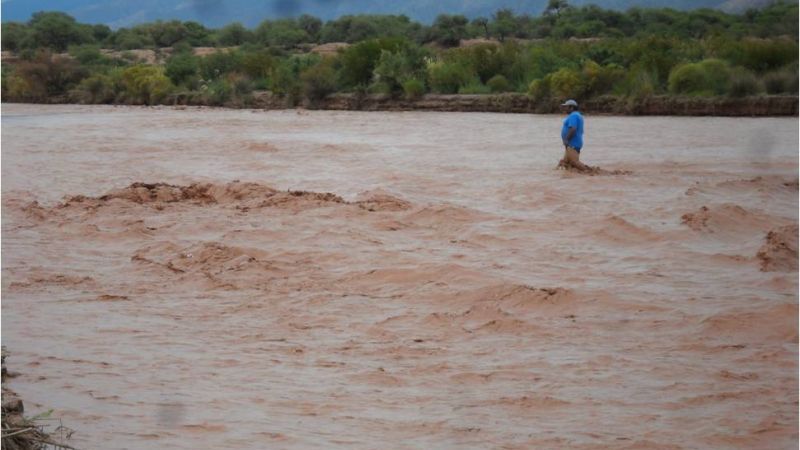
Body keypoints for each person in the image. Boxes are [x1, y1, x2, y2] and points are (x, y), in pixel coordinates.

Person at [557, 99, 590, 172]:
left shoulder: (573, 115)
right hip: (573, 143)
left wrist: (566, 139)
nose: (565, 109)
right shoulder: (577, 115)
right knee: (565, 163)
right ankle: (570, 179)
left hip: (573, 143)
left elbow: (573, 129)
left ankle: (589, 173)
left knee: (574, 162)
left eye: (566, 107)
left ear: (571, 107)